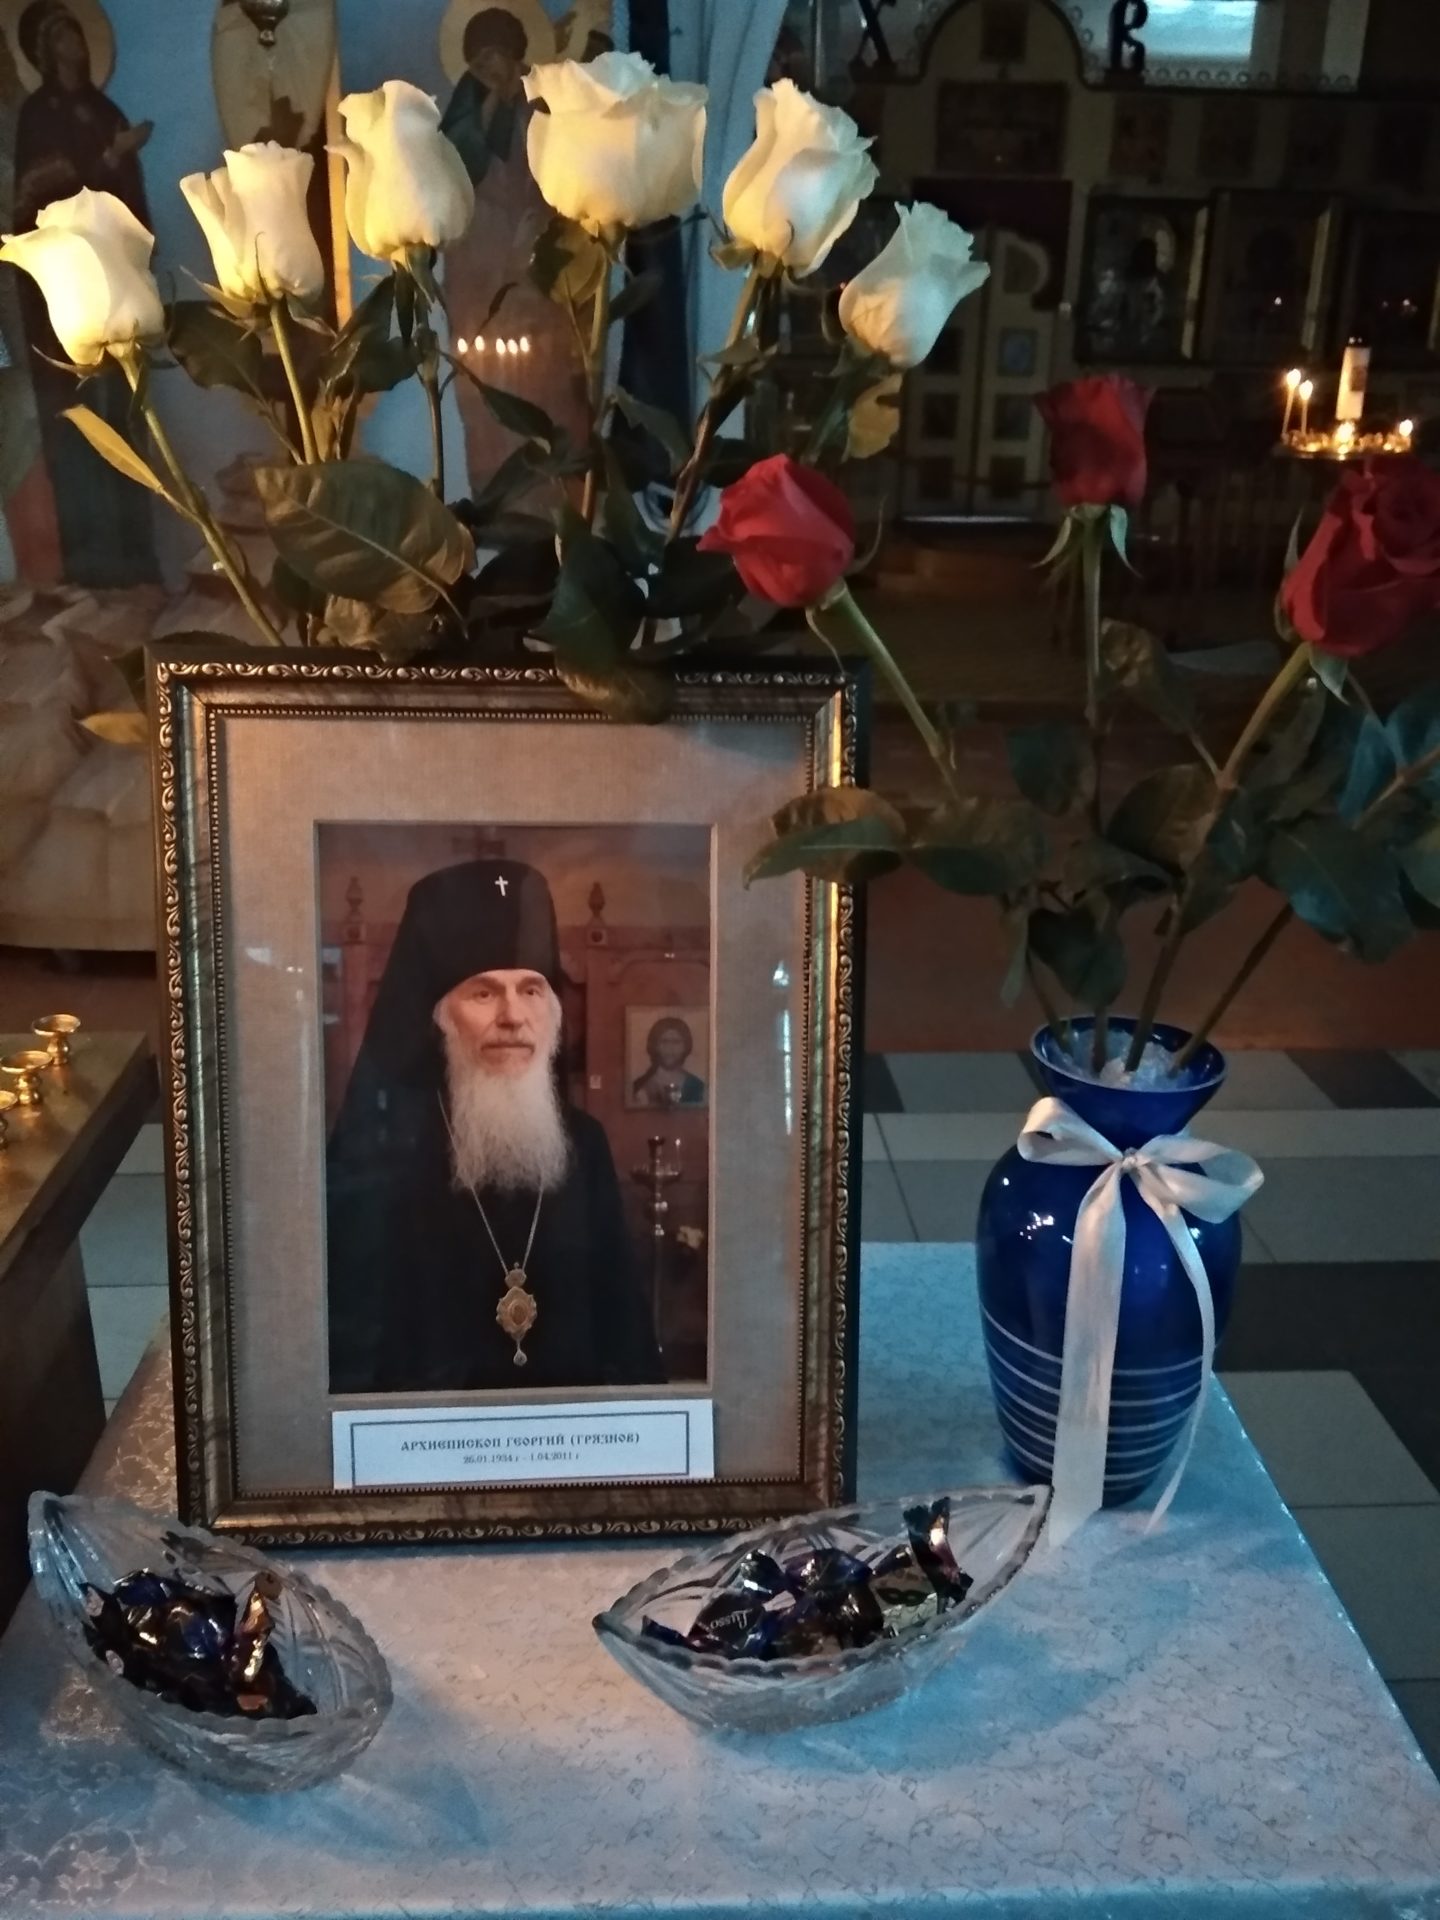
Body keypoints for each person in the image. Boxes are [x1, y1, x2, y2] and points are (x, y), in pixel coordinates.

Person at [326, 857, 664, 1395]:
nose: (513, 1016)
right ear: (440, 1019)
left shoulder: (584, 1143)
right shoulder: (384, 1151)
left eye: (531, 990)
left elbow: (623, 1323)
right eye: (483, 993)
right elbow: (354, 1343)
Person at [11, 0, 158, 584]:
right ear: (45, 51)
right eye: (62, 38)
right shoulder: (38, 114)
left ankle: (136, 559)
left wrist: (121, 169)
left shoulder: (103, 109)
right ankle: (93, 565)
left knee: (126, 420)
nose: (74, 46)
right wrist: (108, 157)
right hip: (68, 299)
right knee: (77, 427)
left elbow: (129, 205)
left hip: (117, 284)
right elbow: (40, 198)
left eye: (77, 35)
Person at [438, 7, 586, 493]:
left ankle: (554, 479)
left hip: (534, 257)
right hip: (477, 262)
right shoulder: (466, 108)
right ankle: (491, 480)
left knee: (543, 374)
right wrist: (485, 112)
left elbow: (557, 171)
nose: (488, 69)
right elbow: (454, 172)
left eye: (495, 57)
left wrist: (539, 222)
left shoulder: (538, 107)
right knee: (487, 383)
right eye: (479, 61)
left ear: (516, 55)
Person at [632, 1016, 705, 1109]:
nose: (670, 1048)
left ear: (686, 1046)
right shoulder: (640, 1085)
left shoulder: (697, 1086)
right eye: (664, 1041)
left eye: (676, 1042)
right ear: (655, 1045)